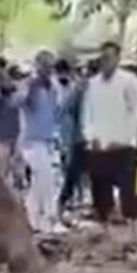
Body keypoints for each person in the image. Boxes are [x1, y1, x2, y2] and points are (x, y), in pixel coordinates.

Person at [80, 41, 137, 224]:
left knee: (127, 190)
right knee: (101, 191)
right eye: (102, 58)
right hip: (99, 144)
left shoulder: (129, 81)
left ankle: (133, 232)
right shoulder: (93, 84)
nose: (105, 61)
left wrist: (125, 138)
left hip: (122, 144)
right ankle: (106, 230)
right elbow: (87, 113)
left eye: (109, 57)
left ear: (117, 58)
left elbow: (136, 111)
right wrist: (90, 137)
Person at [18, 51, 62, 232]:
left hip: (47, 140)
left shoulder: (52, 87)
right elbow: (17, 102)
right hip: (31, 141)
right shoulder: (29, 85)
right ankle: (47, 220)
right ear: (37, 66)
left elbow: (55, 113)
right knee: (46, 181)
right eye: (44, 65)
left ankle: (33, 220)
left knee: (40, 183)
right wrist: (29, 90)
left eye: (50, 66)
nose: (48, 69)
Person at [56, 59, 89, 220]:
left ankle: (80, 201)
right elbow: (64, 110)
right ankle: (64, 205)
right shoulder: (78, 89)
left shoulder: (80, 88)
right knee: (72, 172)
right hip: (78, 137)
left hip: (90, 138)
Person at [0, 59, 23, 188]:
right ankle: (7, 188)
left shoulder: (7, 89)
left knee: (10, 161)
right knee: (7, 162)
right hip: (6, 130)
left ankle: (12, 186)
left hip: (10, 129)